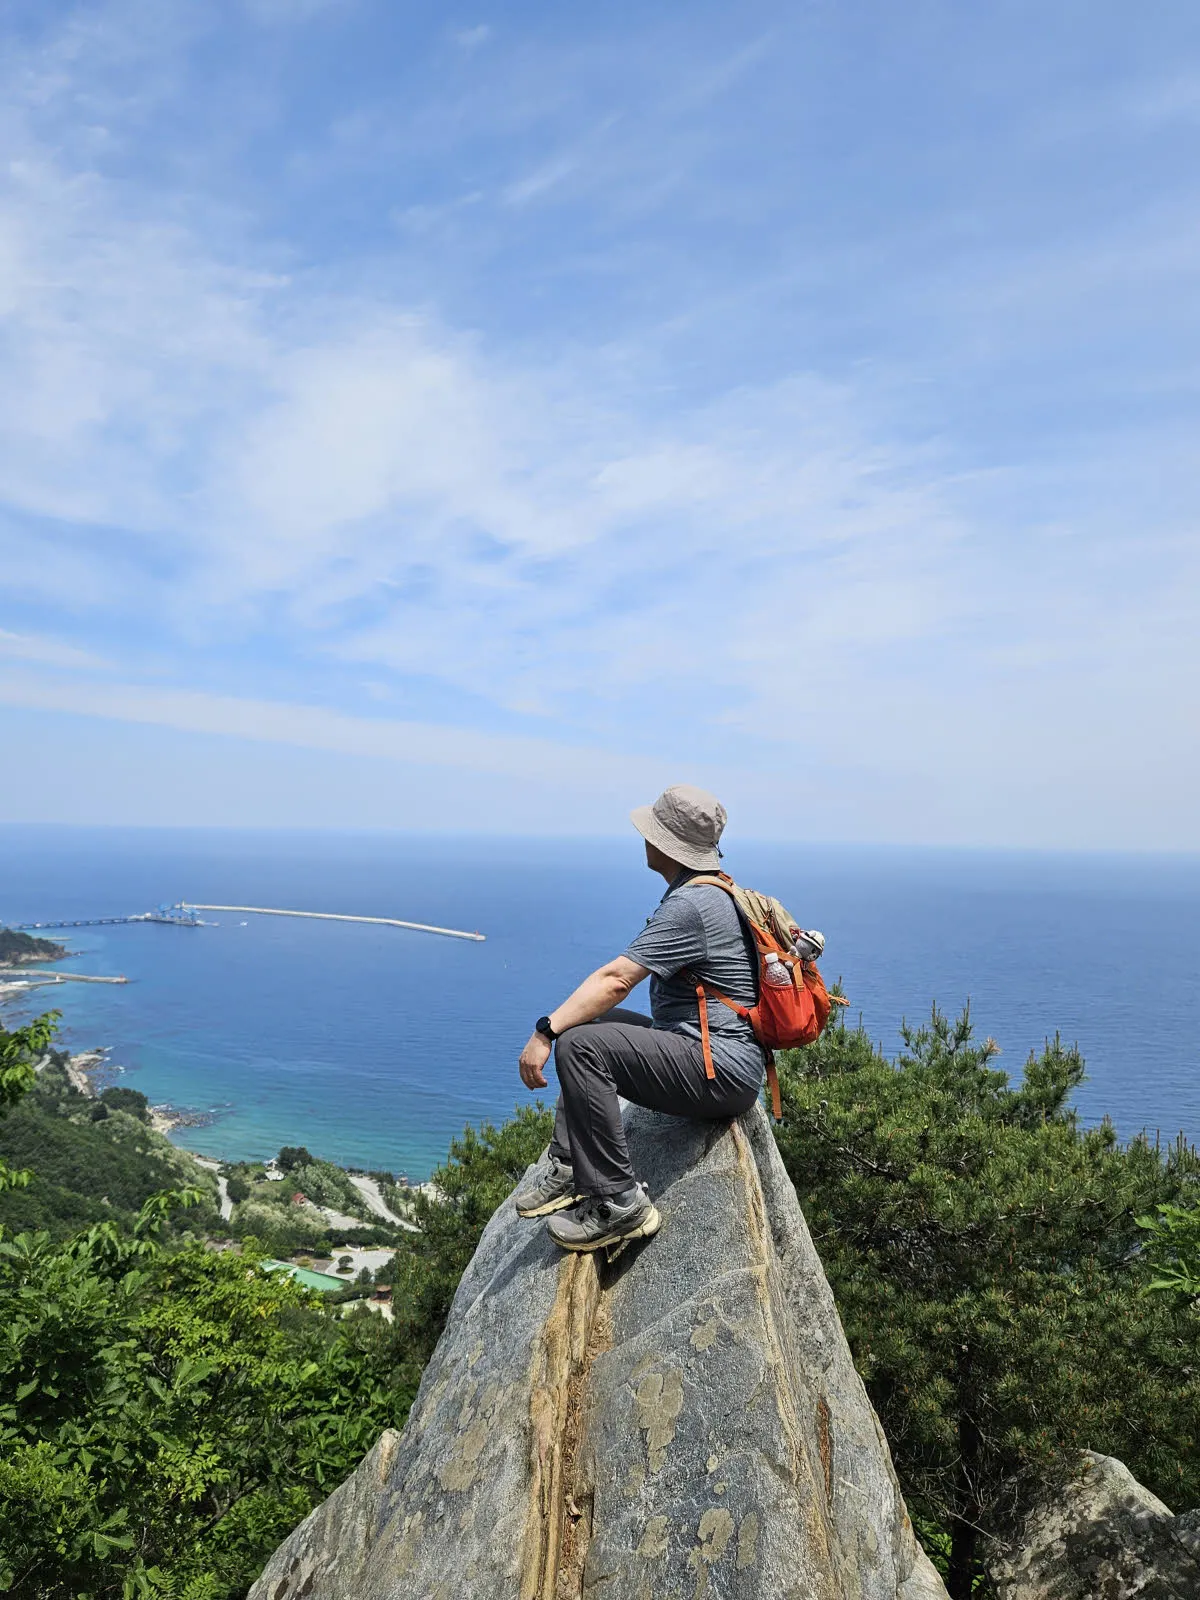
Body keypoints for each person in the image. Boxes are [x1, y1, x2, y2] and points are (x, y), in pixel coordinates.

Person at [514, 784, 765, 1255]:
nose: (643, 839)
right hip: (714, 1058)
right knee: (585, 1025)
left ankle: (619, 1202)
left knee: (578, 1045)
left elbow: (615, 980)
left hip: (719, 1070)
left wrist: (544, 1032)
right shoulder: (711, 892)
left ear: (668, 845)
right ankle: (572, 1166)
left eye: (652, 831)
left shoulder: (692, 904)